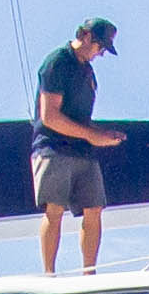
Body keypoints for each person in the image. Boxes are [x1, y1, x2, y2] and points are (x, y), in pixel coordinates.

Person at [30, 17, 123, 274]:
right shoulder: (57, 62)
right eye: (99, 46)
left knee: (94, 208)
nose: (100, 53)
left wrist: (103, 134)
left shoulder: (88, 72)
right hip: (53, 147)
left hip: (82, 148)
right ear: (84, 35)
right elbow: (50, 116)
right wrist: (91, 136)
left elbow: (81, 118)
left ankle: (89, 273)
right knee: (55, 209)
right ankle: (49, 273)